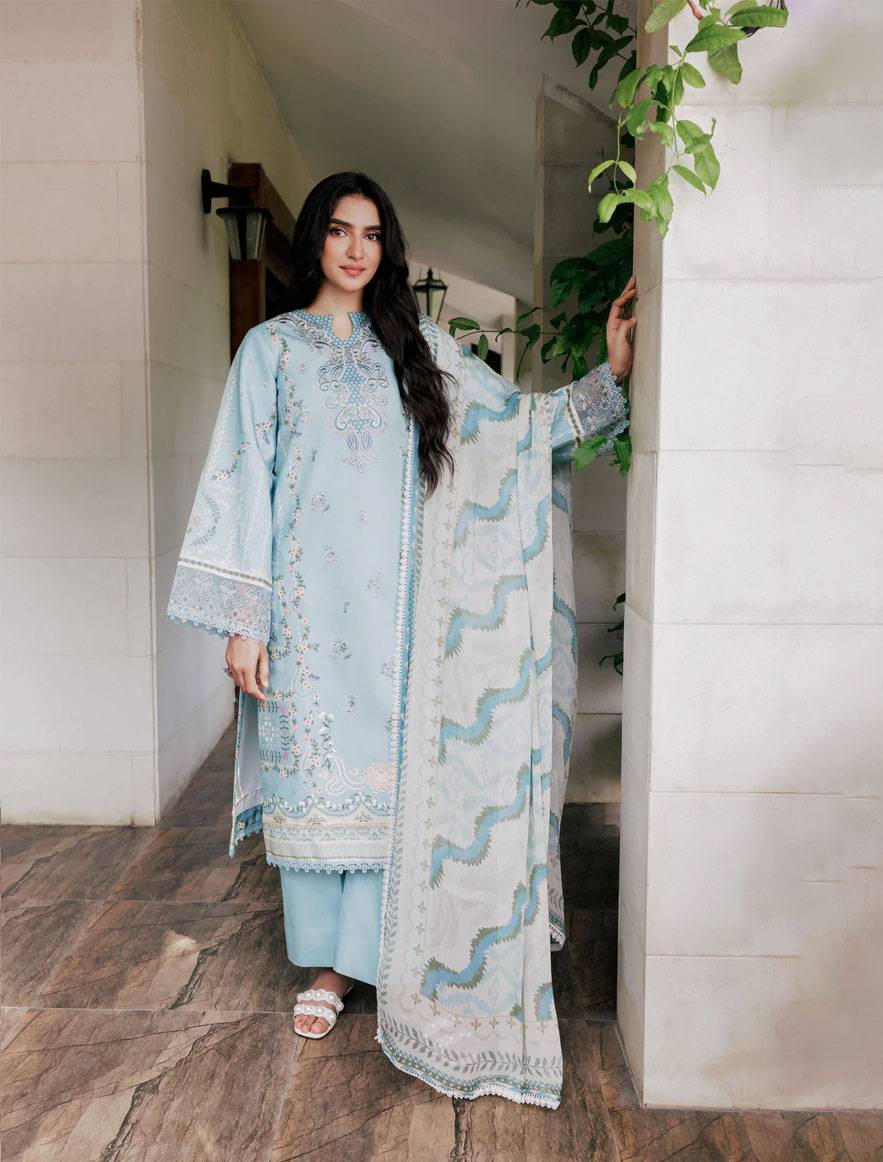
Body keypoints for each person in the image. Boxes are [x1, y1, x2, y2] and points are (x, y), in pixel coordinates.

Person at [166, 171, 635, 1107]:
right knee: (319, 785)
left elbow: (515, 427)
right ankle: (331, 970)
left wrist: (609, 376)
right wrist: (245, 622)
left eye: (372, 234)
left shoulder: (417, 347)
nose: (355, 249)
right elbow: (242, 475)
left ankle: (388, 957)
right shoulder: (270, 349)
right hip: (308, 613)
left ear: (387, 248)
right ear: (314, 239)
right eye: (340, 231)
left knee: (396, 788)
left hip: (405, 617)